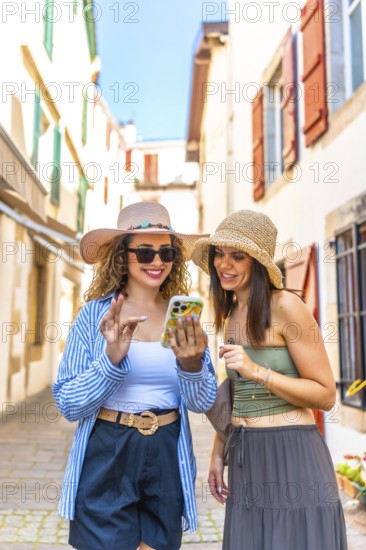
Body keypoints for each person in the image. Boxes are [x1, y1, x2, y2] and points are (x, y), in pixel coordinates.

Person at [53, 201, 217, 550]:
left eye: (166, 251)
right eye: (144, 252)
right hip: (109, 447)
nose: (157, 261)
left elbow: (203, 401)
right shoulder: (93, 317)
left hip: (166, 448)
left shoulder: (185, 318)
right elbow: (68, 402)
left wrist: (191, 366)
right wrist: (111, 360)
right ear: (122, 256)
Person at [191, 210, 347, 550]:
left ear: (257, 263)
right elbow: (236, 392)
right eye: (219, 253)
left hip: (291, 452)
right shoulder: (231, 314)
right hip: (246, 454)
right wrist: (218, 453)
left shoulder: (287, 306)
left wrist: (259, 371)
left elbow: (325, 394)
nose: (224, 264)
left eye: (238, 256)